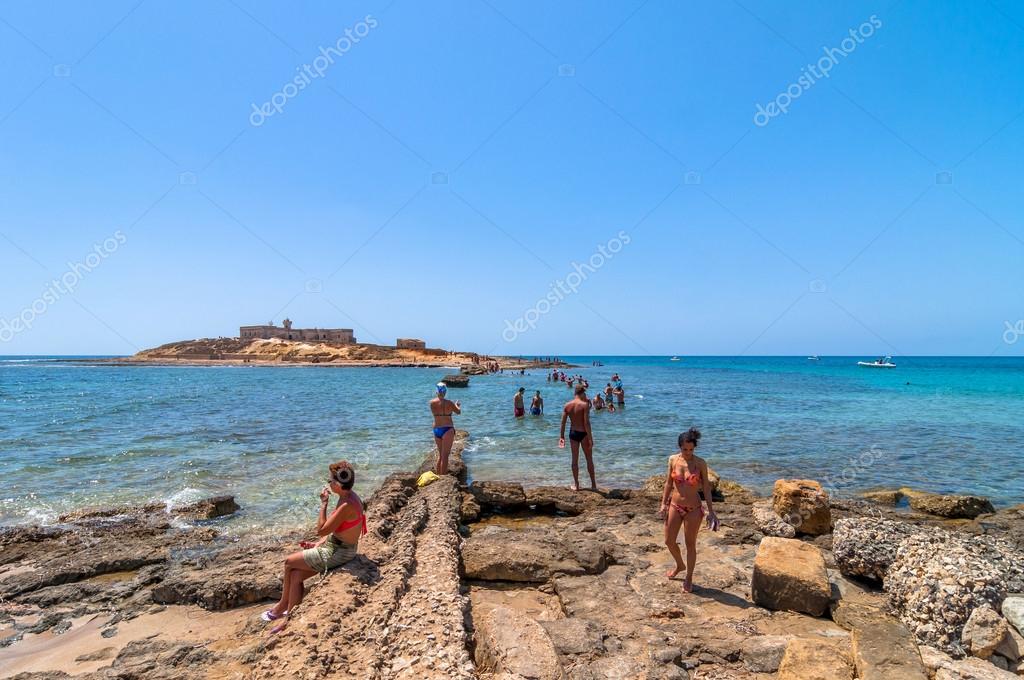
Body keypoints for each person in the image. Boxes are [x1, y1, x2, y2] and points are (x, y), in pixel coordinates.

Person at [262, 460, 367, 632]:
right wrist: (318, 544)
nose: (329, 484)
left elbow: (321, 529)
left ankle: (281, 606)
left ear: (338, 484)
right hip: (340, 547)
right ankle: (289, 618)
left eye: (330, 481)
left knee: (289, 562)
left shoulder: (346, 505)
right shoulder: (350, 497)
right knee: (295, 576)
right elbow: (338, 531)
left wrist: (324, 504)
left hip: (339, 553)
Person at [659, 428, 717, 592]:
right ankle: (680, 565)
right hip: (675, 506)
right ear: (680, 447)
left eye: (691, 449)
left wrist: (711, 511)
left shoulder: (700, 463)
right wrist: (663, 504)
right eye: (685, 449)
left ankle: (689, 576)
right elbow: (668, 484)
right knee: (669, 541)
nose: (688, 452)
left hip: (694, 508)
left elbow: (706, 488)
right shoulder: (673, 460)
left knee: (690, 544)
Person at [559, 386, 597, 491]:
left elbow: (563, 423)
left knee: (574, 460)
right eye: (585, 394)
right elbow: (586, 423)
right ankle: (593, 485)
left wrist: (561, 437)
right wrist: (590, 438)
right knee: (589, 459)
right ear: (582, 393)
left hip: (573, 434)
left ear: (575, 393)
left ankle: (576, 485)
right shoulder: (584, 405)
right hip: (584, 434)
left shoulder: (567, 405)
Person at [431, 383, 461, 475]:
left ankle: (438, 475)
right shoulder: (449, 403)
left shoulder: (432, 403)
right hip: (447, 429)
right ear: (445, 392)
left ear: (437, 391)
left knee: (441, 456)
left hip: (436, 429)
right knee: (445, 457)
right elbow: (458, 412)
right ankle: (442, 478)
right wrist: (457, 405)